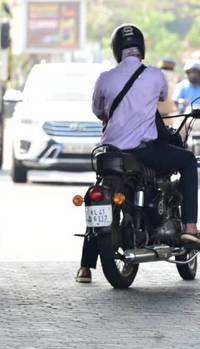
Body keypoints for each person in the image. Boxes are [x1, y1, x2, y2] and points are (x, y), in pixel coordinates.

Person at [76, 24, 200, 283]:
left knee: (98, 193)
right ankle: (190, 227)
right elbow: (163, 103)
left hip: (109, 152)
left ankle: (85, 267)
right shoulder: (155, 76)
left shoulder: (104, 78)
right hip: (143, 151)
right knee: (188, 161)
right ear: (141, 48)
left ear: (115, 50)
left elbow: (99, 112)